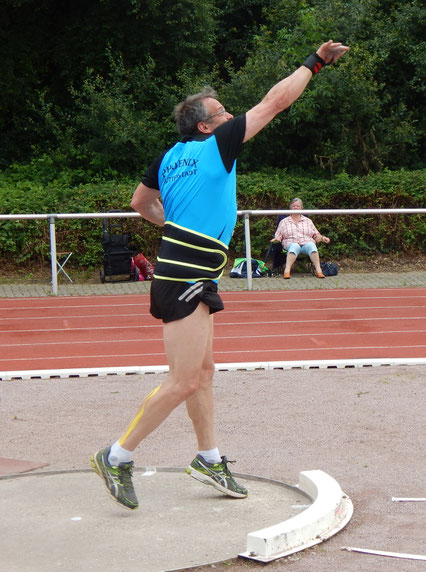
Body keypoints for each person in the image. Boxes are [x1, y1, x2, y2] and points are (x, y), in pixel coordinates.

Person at [90, 40, 349, 510]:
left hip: (187, 270)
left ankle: (208, 458)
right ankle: (116, 454)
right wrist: (314, 61)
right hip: (185, 274)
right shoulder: (218, 144)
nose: (231, 116)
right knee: (184, 379)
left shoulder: (169, 157)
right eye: (223, 111)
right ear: (206, 125)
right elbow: (276, 100)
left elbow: (139, 203)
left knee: (203, 374)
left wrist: (173, 226)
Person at [272, 197, 331, 279]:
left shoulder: (308, 221)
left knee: (311, 245)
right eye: (294, 206)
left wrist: (322, 238)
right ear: (290, 208)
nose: (296, 208)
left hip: (306, 243)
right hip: (290, 243)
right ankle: (287, 271)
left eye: (298, 206)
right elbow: (278, 235)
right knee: (294, 246)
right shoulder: (284, 221)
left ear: (302, 208)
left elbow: (316, 235)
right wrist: (276, 239)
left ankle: (319, 271)